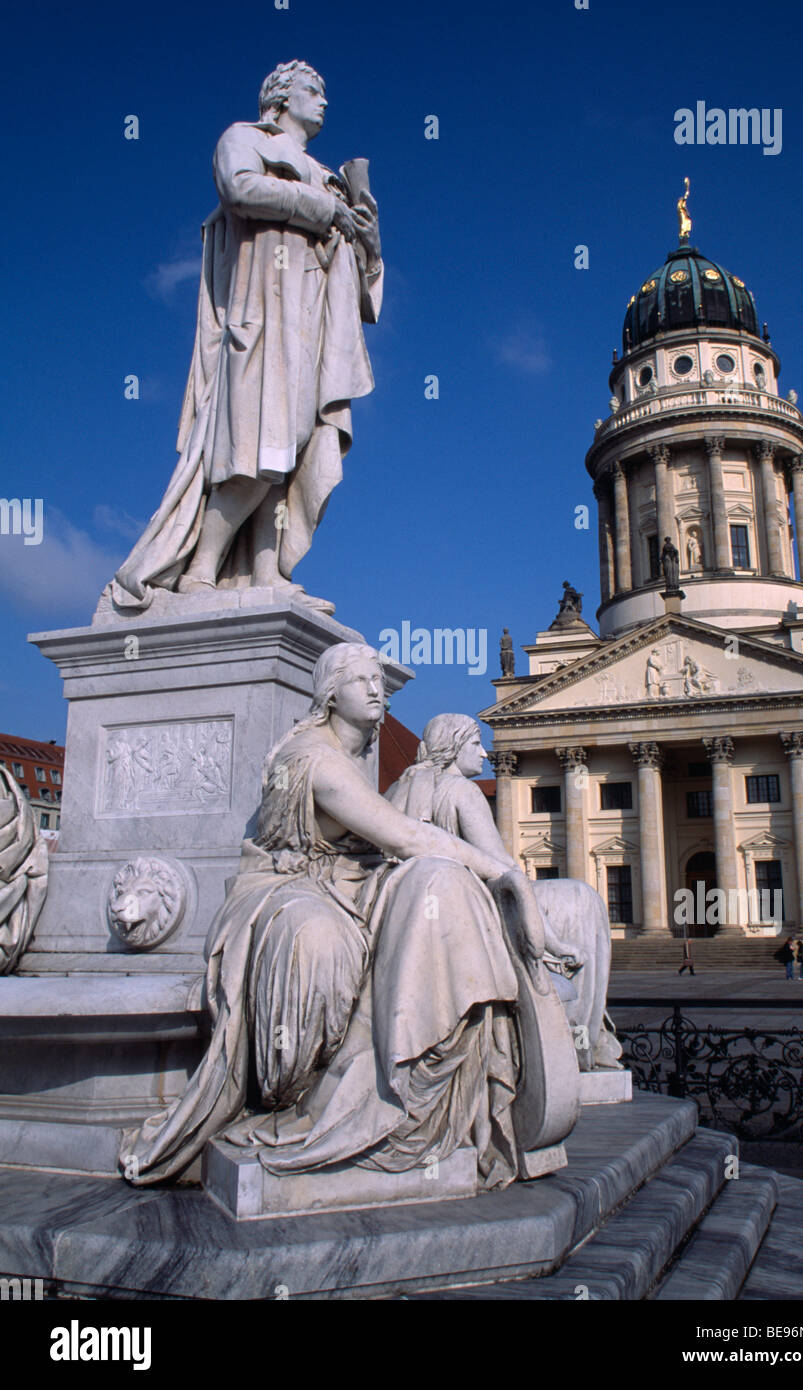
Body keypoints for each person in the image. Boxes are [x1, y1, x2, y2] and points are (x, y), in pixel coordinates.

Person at [121, 643, 551, 1189]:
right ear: (329, 693)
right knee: (324, 939)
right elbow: (406, 837)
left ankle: (420, 1079)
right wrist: (508, 876)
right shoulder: (316, 760)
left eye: (379, 680)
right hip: (284, 893)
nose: (376, 690)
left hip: (342, 883)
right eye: (361, 680)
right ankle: (308, 1098)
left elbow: (393, 842)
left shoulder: (353, 759)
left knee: (442, 888)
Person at [112, 61, 383, 614]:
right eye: (313, 90)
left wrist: (364, 233)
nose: (324, 101)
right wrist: (325, 208)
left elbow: (362, 280)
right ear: (280, 97)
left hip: (312, 323)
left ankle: (266, 570)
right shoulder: (245, 138)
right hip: (263, 314)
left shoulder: (326, 174)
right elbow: (239, 189)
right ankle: (201, 570)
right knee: (259, 446)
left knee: (296, 448)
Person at [386, 713, 622, 1070]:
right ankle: (582, 1040)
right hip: (480, 906)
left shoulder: (406, 787)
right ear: (454, 748)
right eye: (475, 744)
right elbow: (505, 871)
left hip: (440, 910)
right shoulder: (462, 791)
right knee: (582, 899)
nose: (484, 753)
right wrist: (553, 940)